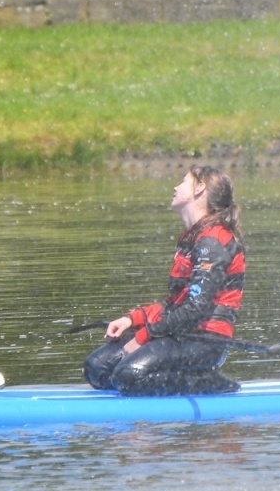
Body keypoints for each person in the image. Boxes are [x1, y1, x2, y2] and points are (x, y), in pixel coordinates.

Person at [84, 166, 245, 395]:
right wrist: (133, 319)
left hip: (206, 342)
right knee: (96, 368)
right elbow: (175, 303)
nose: (175, 187)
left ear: (199, 189)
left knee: (127, 375)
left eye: (183, 181)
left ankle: (215, 384)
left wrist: (143, 337)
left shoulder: (213, 241)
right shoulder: (190, 238)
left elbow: (195, 308)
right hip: (179, 333)